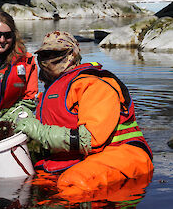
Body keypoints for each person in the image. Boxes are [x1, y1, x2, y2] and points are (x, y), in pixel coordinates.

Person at [14, 31, 154, 195]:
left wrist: (38, 131)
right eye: (45, 54)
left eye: (56, 53)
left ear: (72, 54)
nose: (49, 59)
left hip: (122, 152)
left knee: (73, 183)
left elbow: (91, 139)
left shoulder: (95, 84)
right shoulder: (49, 92)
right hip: (81, 157)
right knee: (31, 183)